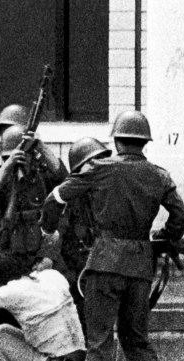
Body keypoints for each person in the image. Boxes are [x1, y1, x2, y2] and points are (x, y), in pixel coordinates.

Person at [42, 110, 184, 361]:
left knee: (99, 343)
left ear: (117, 140)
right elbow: (180, 217)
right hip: (140, 267)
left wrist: (48, 226)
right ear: (144, 142)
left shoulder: (98, 169)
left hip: (104, 263)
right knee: (137, 341)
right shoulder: (159, 175)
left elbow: (55, 198)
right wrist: (163, 238)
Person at [0, 123, 68, 361]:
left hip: (37, 264)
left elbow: (64, 182)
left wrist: (41, 147)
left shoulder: (43, 176)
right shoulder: (0, 175)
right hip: (5, 264)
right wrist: (9, 165)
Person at [57, 138, 112, 331]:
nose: (98, 167)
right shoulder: (68, 199)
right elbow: (56, 242)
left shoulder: (107, 195)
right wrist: (70, 278)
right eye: (92, 163)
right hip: (77, 278)